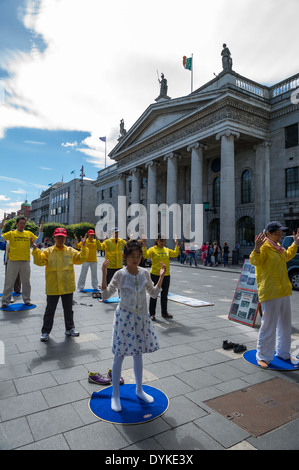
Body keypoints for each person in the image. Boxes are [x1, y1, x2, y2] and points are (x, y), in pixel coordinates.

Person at [101, 239, 166, 412]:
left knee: (138, 353)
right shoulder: (120, 275)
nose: (135, 259)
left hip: (141, 319)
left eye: (138, 256)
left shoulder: (144, 273)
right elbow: (106, 295)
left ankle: (139, 389)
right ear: (125, 256)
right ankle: (115, 394)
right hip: (125, 318)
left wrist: (160, 276)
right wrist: (104, 273)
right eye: (132, 256)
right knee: (119, 355)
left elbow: (153, 294)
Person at [249, 222, 299, 368]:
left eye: (280, 233)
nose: (280, 235)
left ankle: (283, 352)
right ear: (268, 233)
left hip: (283, 291)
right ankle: (263, 356)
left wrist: (295, 244)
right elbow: (254, 260)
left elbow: (287, 256)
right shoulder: (264, 247)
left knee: (285, 324)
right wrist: (256, 248)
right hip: (270, 292)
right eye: (277, 233)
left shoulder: (278, 248)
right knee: (268, 325)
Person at [31, 227, 88, 341]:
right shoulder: (48, 251)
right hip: (53, 286)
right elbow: (39, 262)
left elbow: (81, 259)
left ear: (65, 238)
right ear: (54, 238)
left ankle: (69, 329)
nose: (60, 239)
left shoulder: (70, 251)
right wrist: (36, 251)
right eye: (58, 237)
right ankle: (45, 332)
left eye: (62, 237)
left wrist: (83, 246)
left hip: (67, 286)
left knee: (68, 310)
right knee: (49, 310)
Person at [0, 217, 43, 309]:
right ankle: (5, 301)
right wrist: (0, 228)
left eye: (24, 223)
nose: (22, 225)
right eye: (21, 223)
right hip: (13, 261)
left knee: (26, 282)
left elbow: (38, 241)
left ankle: (27, 300)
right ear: (17, 224)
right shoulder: (11, 233)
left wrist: (41, 232)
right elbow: (1, 239)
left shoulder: (28, 233)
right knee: (9, 282)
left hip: (25, 261)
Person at [141, 234, 179, 320]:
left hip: (166, 275)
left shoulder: (167, 250)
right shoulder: (152, 249)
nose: (162, 242)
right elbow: (146, 255)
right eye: (161, 240)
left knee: (164, 295)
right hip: (155, 275)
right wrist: (144, 245)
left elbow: (175, 254)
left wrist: (176, 244)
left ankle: (164, 313)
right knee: (153, 294)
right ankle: (152, 314)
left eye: (164, 240)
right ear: (156, 241)